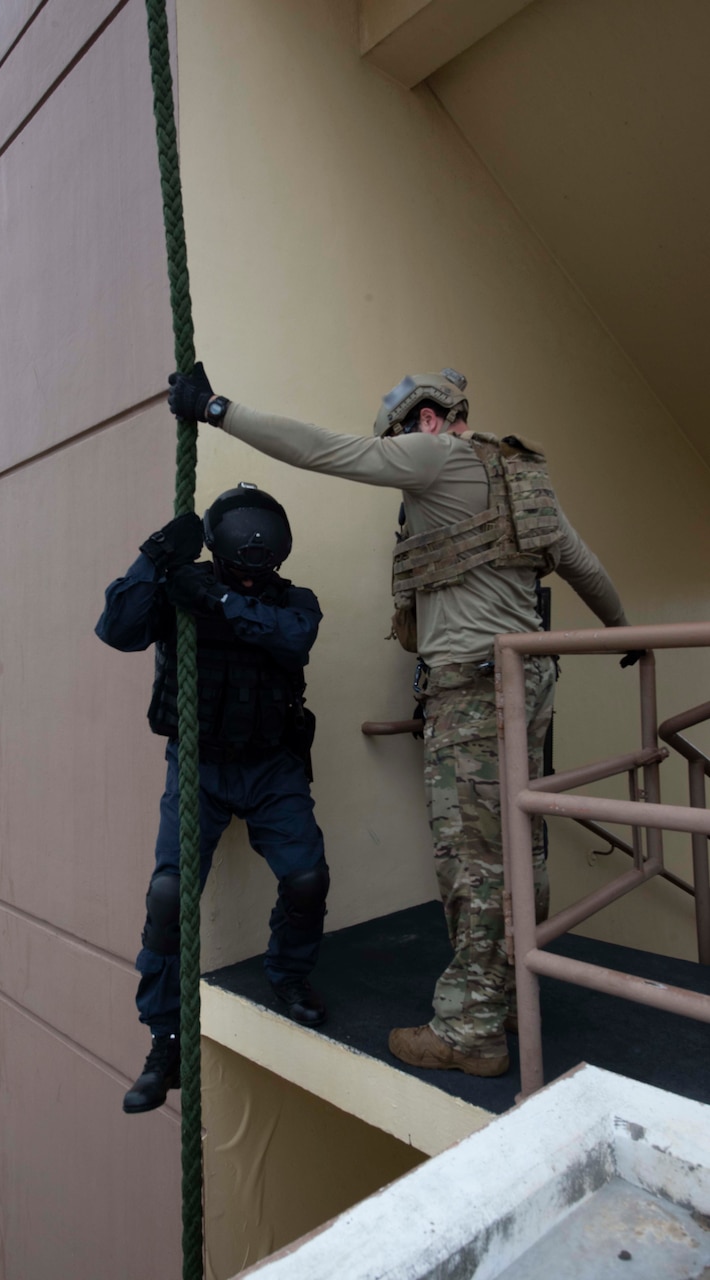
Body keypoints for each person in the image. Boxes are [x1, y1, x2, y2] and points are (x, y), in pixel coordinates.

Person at [166, 364, 634, 1079]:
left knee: (471, 859)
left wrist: (217, 409)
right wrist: (623, 631)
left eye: (395, 436)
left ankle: (471, 1030)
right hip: (529, 677)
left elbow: (325, 450)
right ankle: (505, 991)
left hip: (474, 689)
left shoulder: (437, 453)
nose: (394, 454)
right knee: (521, 844)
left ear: (422, 420)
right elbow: (582, 564)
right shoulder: (521, 478)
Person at [96, 483, 329, 1113]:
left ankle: (288, 974)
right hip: (198, 765)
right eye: (238, 570)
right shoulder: (180, 591)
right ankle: (164, 1040)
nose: (253, 581)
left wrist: (221, 599)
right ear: (222, 554)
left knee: (307, 879)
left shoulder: (293, 601)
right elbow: (116, 630)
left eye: (264, 569)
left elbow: (291, 640)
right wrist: (151, 560)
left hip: (271, 766)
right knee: (169, 897)